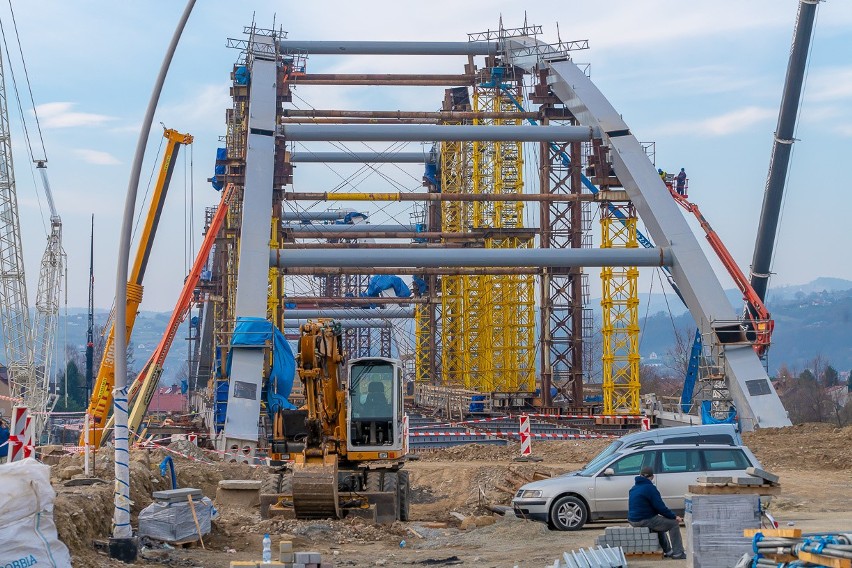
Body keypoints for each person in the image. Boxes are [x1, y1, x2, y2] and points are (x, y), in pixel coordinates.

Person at [627, 466, 685, 559]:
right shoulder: (650, 488)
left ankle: (668, 551)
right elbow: (660, 508)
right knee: (673, 524)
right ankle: (678, 553)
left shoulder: (634, 488)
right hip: (643, 519)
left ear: (640, 475)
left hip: (632, 519)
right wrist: (674, 517)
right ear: (652, 477)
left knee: (659, 524)